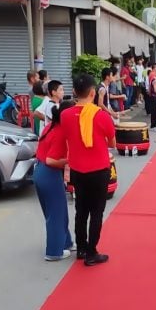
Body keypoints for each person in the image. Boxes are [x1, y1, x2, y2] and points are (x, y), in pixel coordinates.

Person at [61, 75, 115, 266]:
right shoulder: (101, 116)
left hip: (77, 170)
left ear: (74, 92)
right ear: (93, 92)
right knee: (96, 212)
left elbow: (66, 138)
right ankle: (92, 252)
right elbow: (112, 142)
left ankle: (82, 249)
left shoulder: (65, 115)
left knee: (81, 210)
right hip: (99, 170)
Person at [35, 100, 75, 262]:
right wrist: (69, 160)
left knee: (59, 212)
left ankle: (66, 242)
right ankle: (54, 251)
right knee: (56, 214)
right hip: (49, 173)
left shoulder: (50, 126)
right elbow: (52, 160)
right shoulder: (60, 133)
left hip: (40, 172)